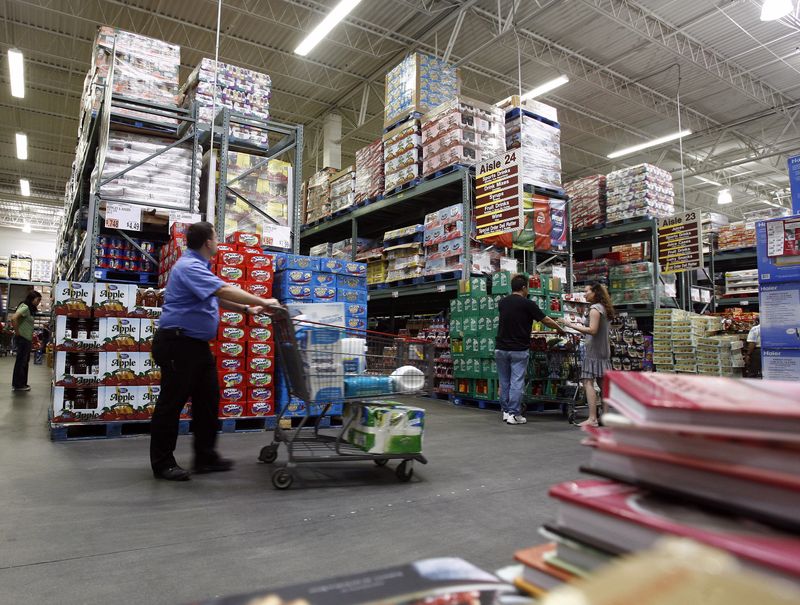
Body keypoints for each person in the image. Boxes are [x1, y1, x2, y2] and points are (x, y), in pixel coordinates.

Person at [150, 222, 280, 481]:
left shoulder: (199, 267)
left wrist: (246, 310)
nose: (218, 241)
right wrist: (262, 300)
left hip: (195, 346)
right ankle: (163, 463)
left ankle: (205, 457)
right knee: (171, 405)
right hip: (178, 344)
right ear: (208, 242)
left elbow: (215, 297)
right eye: (216, 237)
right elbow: (221, 289)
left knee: (208, 400)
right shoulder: (189, 267)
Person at [496, 274, 565, 425]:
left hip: (500, 348)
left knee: (504, 381)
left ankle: (506, 411)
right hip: (518, 349)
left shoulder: (502, 303)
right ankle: (514, 414)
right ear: (524, 288)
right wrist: (560, 329)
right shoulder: (528, 304)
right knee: (516, 382)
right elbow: (545, 319)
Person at [562, 281, 614, 427]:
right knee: (603, 384)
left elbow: (592, 330)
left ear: (595, 292)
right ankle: (605, 416)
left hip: (594, 352)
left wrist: (571, 325)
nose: (585, 294)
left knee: (588, 382)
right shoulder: (604, 308)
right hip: (604, 351)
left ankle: (592, 418)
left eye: (587, 291)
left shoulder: (595, 309)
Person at [10, 290, 41, 392]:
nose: (39, 302)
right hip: (23, 339)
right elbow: (13, 318)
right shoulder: (25, 307)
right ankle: (18, 385)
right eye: (38, 300)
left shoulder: (29, 309)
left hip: (26, 339)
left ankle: (22, 383)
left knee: (24, 362)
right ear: (32, 299)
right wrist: (18, 332)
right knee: (21, 362)